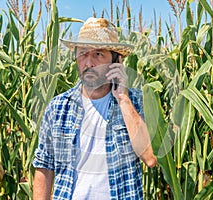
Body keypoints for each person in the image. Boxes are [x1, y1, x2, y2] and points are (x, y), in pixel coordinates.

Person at [32, 17, 157, 200]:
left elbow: (150, 158)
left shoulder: (136, 101)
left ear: (116, 61)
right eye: (83, 53)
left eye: (98, 54)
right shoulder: (58, 108)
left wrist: (123, 99)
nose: (88, 63)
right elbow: (44, 167)